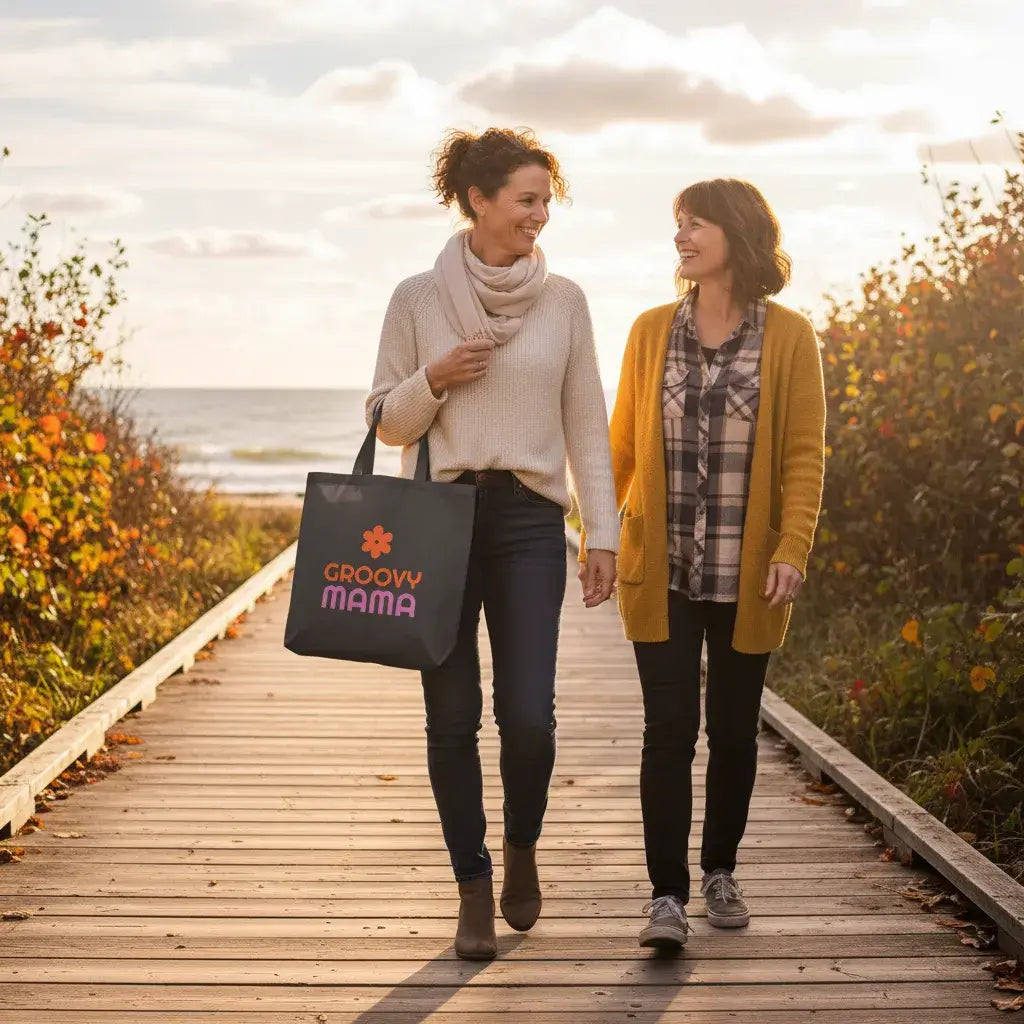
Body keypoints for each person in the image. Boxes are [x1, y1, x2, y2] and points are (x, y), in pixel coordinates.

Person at [366, 127, 618, 960]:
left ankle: (521, 847)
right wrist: (435, 377)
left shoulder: (564, 301)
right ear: (477, 200)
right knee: (450, 716)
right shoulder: (415, 299)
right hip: (439, 518)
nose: (540, 215)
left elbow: (587, 423)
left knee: (528, 718)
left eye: (546, 201)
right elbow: (385, 421)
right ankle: (472, 887)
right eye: (526, 199)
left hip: (530, 522)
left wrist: (602, 534)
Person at [606, 178, 826, 950]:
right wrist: (598, 536)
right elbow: (620, 448)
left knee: (733, 735)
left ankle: (720, 871)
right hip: (661, 570)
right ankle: (666, 895)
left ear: (738, 233)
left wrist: (792, 548)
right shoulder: (649, 332)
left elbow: (804, 455)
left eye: (695, 223)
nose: (681, 236)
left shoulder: (790, 337)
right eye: (679, 223)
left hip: (748, 572)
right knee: (668, 730)